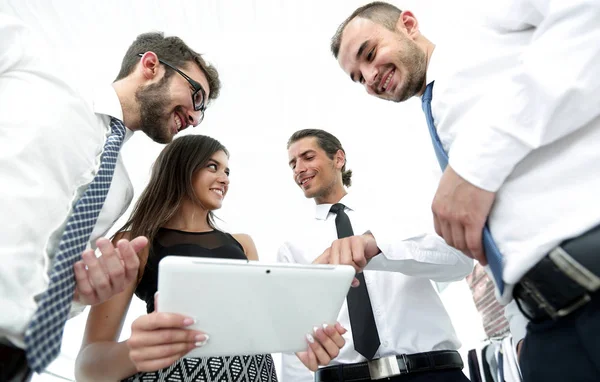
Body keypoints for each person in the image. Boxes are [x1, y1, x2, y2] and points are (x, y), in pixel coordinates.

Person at [330, 2, 600, 381]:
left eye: (370, 54)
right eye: (358, 78)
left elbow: (587, 16)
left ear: (408, 24)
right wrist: (521, 327)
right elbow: (475, 243)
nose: (371, 78)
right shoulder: (434, 129)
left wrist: (473, 170)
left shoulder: (478, 24)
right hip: (545, 325)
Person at [0, 12, 221, 380]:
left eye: (202, 111)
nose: (196, 119)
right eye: (195, 96)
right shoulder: (36, 71)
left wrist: (81, 295)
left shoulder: (120, 190)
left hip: (14, 358)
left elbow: (54, 280)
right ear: (151, 65)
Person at [75, 134, 345, 381]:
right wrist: (135, 351)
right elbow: (87, 368)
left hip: (254, 374)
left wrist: (302, 339)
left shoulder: (243, 244)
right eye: (212, 167)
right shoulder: (133, 243)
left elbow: (266, 326)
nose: (225, 178)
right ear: (181, 169)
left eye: (227, 171)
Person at [279, 128, 473, 382]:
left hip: (431, 372)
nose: (299, 169)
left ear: (338, 159)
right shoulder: (292, 248)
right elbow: (294, 335)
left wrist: (381, 249)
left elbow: (460, 262)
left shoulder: (395, 210)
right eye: (293, 164)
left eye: (307, 157)